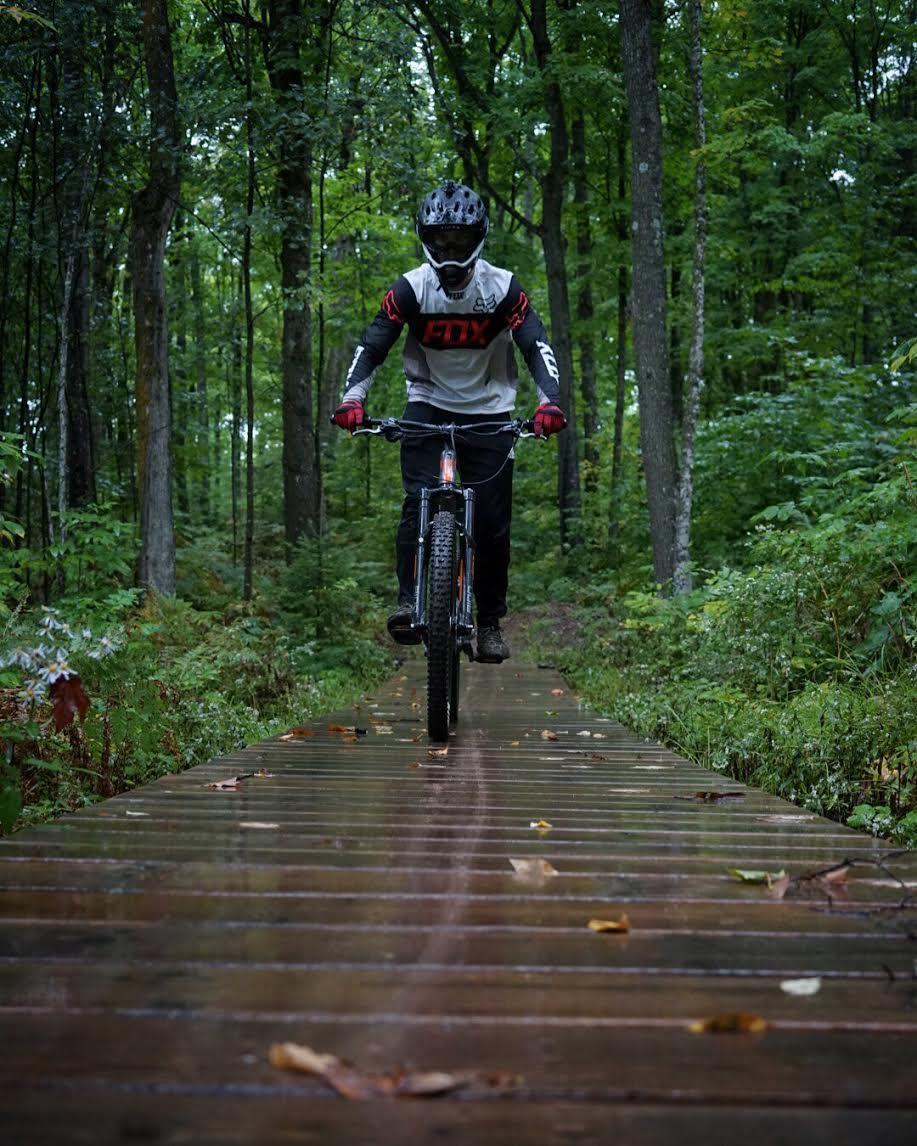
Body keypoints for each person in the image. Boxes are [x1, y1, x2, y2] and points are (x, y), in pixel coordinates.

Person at [332, 180, 566, 663]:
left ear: (478, 238)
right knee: (416, 503)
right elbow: (372, 343)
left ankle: (490, 622)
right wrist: (352, 398)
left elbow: (535, 344)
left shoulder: (502, 288)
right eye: (442, 240)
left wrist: (550, 402)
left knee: (494, 527)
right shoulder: (411, 289)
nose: (451, 250)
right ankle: (408, 599)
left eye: (460, 240)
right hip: (427, 405)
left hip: (490, 413)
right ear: (426, 238)